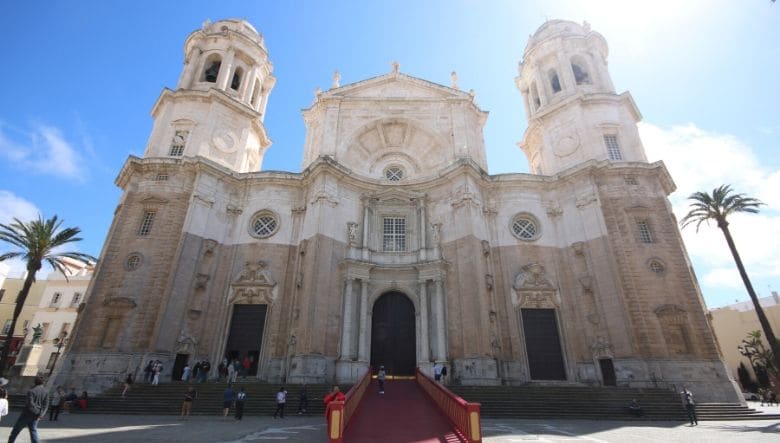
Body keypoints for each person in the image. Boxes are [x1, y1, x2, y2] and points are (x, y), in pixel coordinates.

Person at [8, 376, 49, 443]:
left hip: (27, 414)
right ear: (43, 383)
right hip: (37, 415)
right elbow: (46, 405)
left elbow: (30, 403)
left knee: (16, 430)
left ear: (35, 382)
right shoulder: (45, 392)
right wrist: (41, 415)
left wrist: (35, 412)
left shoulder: (31, 391)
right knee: (33, 431)